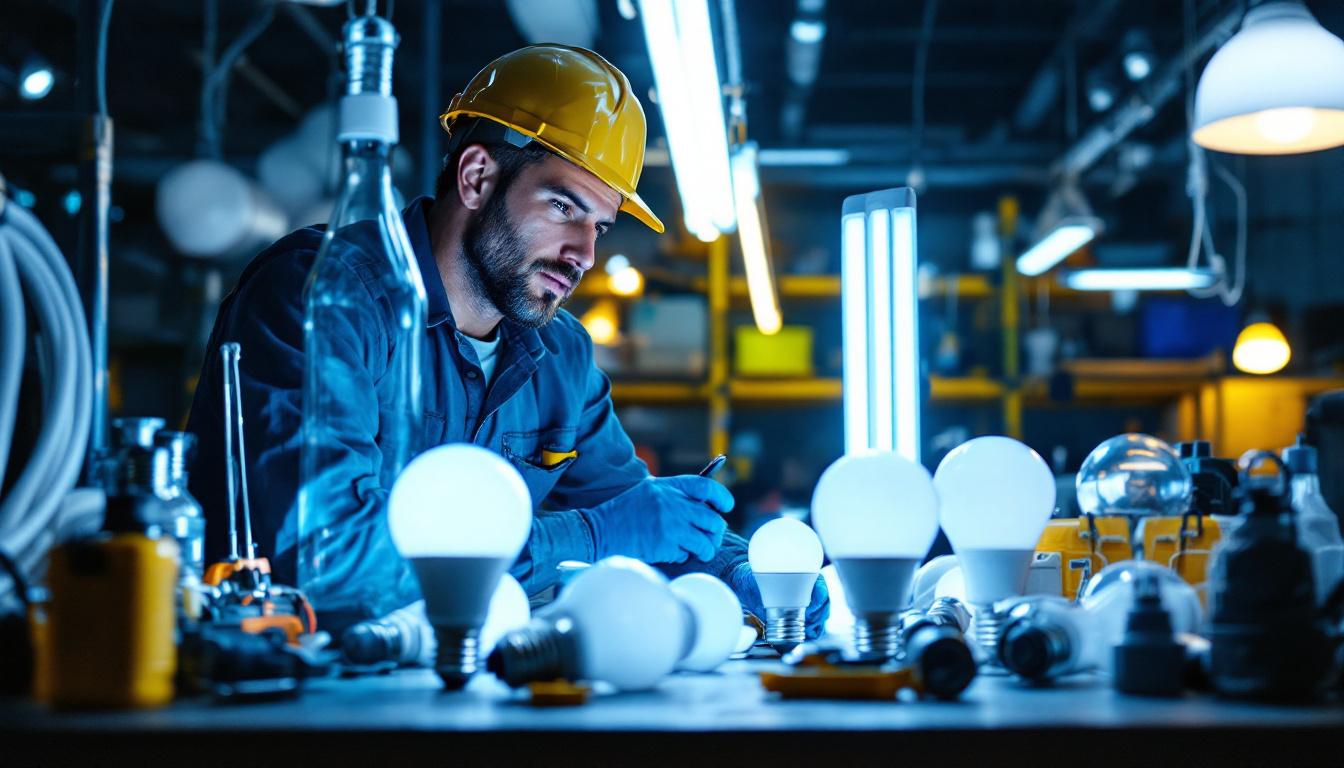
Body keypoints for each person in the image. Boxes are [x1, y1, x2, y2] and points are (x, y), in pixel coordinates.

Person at [185, 44, 828, 635]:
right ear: (476, 177)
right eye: (564, 207)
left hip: (457, 697)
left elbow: (635, 511)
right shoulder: (324, 296)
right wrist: (586, 538)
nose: (583, 254)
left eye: (600, 227)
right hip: (287, 703)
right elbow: (325, 563)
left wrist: (741, 572)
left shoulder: (560, 359)